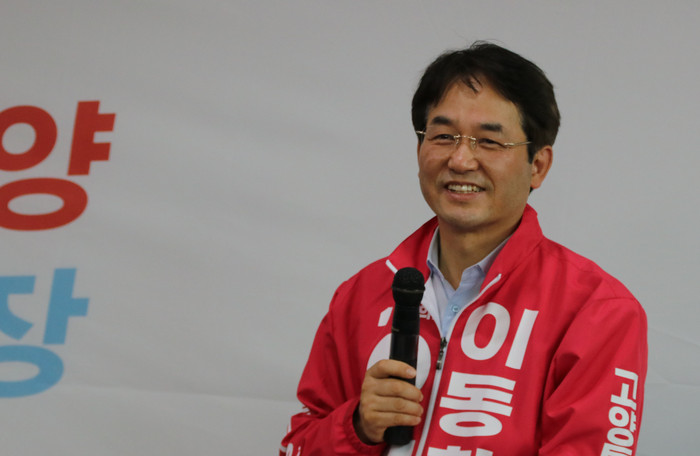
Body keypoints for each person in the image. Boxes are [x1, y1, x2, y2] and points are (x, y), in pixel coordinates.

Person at [280, 41, 647, 456]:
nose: (460, 160)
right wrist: (358, 427)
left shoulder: (597, 310)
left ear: (538, 165)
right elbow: (297, 444)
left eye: (489, 141)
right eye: (443, 136)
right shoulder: (360, 295)